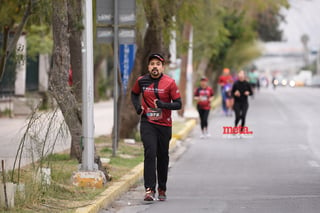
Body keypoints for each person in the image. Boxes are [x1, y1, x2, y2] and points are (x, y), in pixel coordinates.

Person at [131, 53, 182, 202]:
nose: (155, 66)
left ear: (162, 67)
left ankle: (162, 188)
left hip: (164, 125)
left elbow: (178, 104)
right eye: (152, 64)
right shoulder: (141, 81)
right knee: (150, 152)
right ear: (148, 67)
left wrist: (163, 105)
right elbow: (134, 95)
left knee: (162, 156)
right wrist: (137, 107)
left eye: (158, 64)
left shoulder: (170, 83)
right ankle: (149, 189)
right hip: (148, 123)